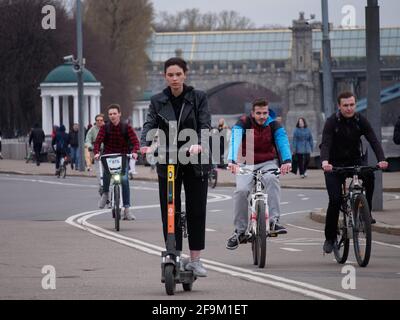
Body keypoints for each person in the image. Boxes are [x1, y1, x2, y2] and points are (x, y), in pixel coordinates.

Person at [140, 57, 211, 277]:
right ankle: (174, 254)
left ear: (185, 74)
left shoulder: (198, 97)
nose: (174, 79)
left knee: (196, 209)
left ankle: (196, 260)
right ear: (165, 76)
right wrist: (145, 143)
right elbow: (150, 123)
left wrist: (200, 142)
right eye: (170, 75)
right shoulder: (157, 100)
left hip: (195, 159)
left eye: (178, 74)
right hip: (168, 160)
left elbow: (205, 122)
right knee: (169, 209)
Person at [320, 91, 388, 254]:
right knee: (335, 200)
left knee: (370, 175)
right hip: (333, 165)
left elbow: (373, 140)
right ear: (339, 106)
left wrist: (382, 159)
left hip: (355, 160)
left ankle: (366, 213)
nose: (349, 108)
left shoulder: (360, 120)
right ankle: (330, 238)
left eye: (352, 105)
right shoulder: (331, 122)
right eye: (345, 105)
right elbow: (326, 143)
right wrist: (325, 162)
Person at [226, 98, 292, 250]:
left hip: (267, 162)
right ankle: (240, 231)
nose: (262, 116)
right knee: (241, 191)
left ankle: (274, 221)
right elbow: (235, 139)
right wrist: (231, 160)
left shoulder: (274, 124)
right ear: (252, 113)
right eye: (259, 113)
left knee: (272, 180)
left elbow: (282, 141)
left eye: (265, 113)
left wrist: (287, 161)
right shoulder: (244, 123)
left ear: (268, 112)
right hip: (246, 162)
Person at [94, 104, 140, 221]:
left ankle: (127, 209)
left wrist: (134, 152)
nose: (112, 116)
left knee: (124, 180)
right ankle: (105, 193)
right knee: (106, 173)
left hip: (122, 157)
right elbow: (98, 142)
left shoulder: (126, 127)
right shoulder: (105, 128)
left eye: (114, 113)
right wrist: (96, 152)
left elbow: (135, 142)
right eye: (110, 114)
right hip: (108, 156)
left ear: (119, 114)